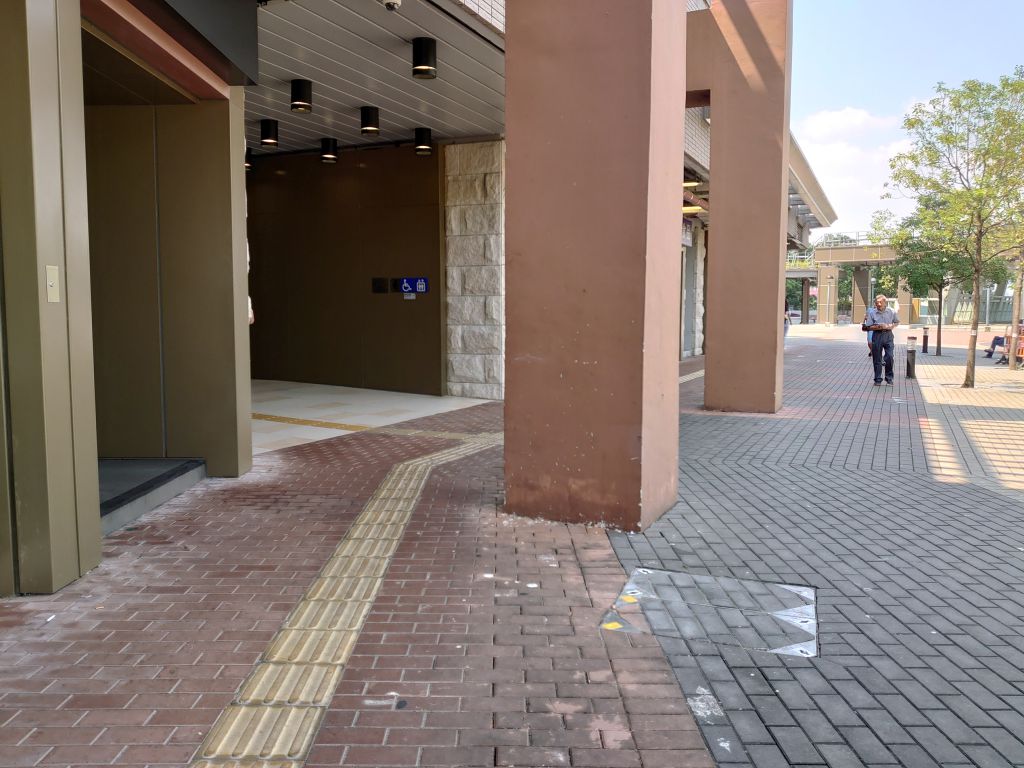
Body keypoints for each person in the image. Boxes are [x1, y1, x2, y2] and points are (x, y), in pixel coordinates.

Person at [864, 294, 899, 385]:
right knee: (877, 358)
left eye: (880, 302)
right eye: (877, 302)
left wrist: (891, 326)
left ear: (885, 302)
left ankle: (889, 378)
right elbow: (868, 326)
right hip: (877, 335)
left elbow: (896, 322)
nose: (878, 304)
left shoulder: (891, 311)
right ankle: (878, 379)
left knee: (889, 356)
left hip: (888, 335)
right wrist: (877, 327)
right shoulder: (872, 313)